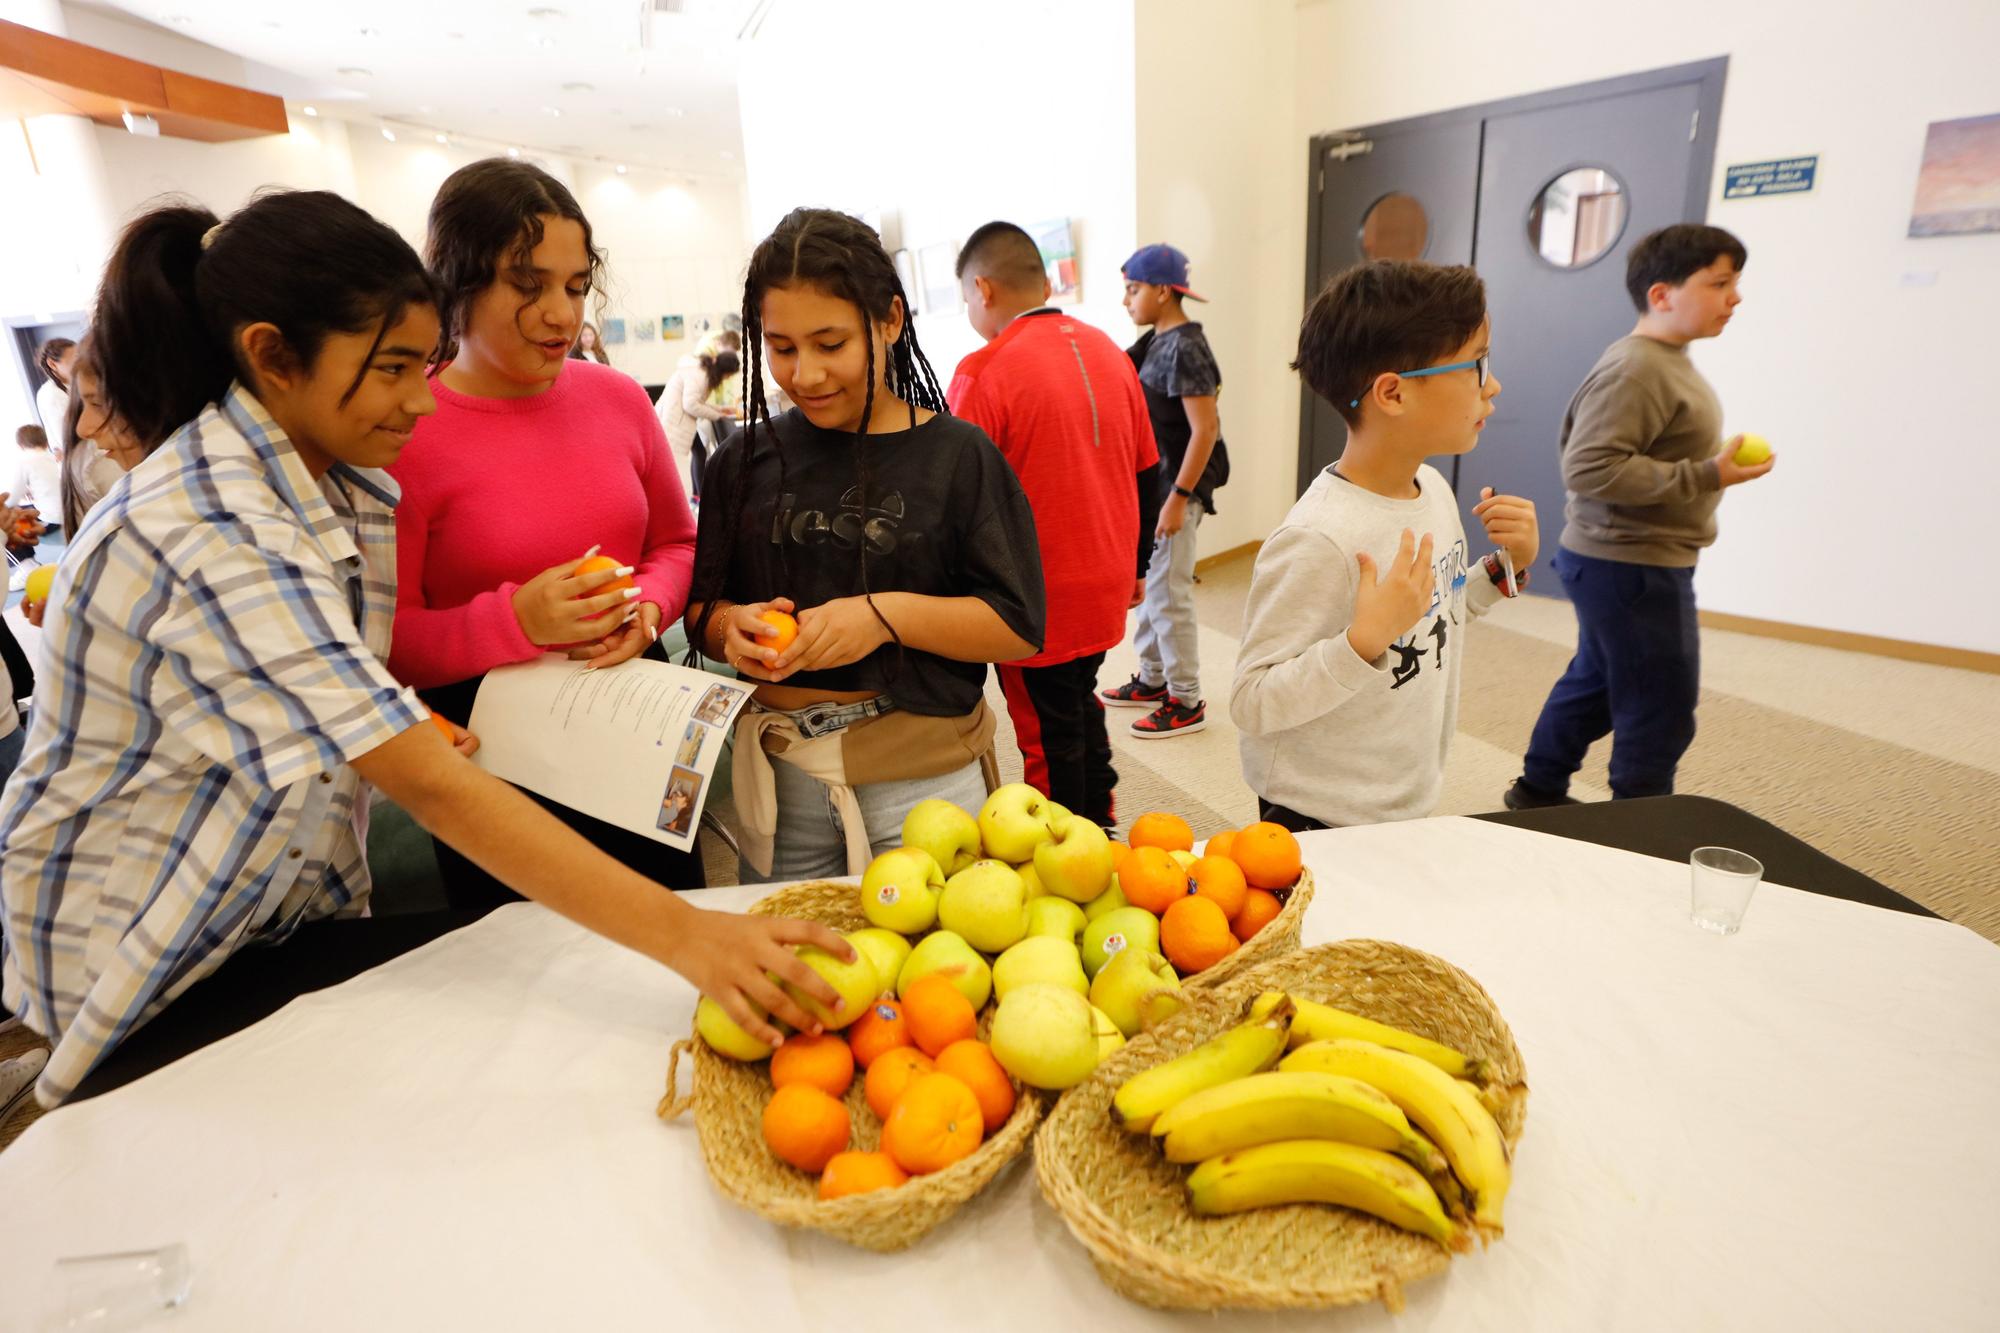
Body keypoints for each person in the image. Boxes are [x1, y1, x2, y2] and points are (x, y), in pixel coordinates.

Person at [0, 193, 848, 1109]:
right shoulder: (211, 526)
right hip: (153, 939)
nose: (418, 399)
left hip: (285, 902)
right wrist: (692, 938)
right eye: (396, 368)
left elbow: (342, 674)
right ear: (272, 357)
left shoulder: (338, 479)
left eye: (424, 364)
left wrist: (400, 713)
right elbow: (424, 774)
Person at [686, 207, 1045, 882]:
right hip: (781, 776)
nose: (807, 374)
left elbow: (1017, 625)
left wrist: (881, 617)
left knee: (936, 974)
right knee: (794, 974)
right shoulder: (741, 460)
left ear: (889, 321)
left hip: (923, 778)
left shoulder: (958, 457)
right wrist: (731, 626)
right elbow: (701, 611)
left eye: (831, 344)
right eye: (782, 347)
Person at [389, 158, 704, 908]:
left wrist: (649, 611)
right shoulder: (405, 431)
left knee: (678, 949)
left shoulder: (619, 399)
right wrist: (514, 621)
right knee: (527, 973)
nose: (562, 313)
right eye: (527, 285)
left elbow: (677, 544)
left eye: (574, 285)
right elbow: (381, 638)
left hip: (638, 719)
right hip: (495, 759)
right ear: (457, 281)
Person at [1232, 260, 1539, 832]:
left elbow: (1435, 612)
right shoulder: (1318, 538)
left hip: (1403, 792)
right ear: (1393, 393)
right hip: (1316, 810)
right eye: (1479, 365)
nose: (1492, 385)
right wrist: (1363, 639)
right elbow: (1252, 700)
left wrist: (1505, 569)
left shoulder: (1435, 491)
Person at [1507, 225, 1773, 808]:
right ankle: (1641, 824)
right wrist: (1708, 475)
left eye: (1736, 283)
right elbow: (1591, 469)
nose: (1735, 297)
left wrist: (1705, 467)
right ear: (1662, 295)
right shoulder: (1638, 369)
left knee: (1599, 682)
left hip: (1627, 558)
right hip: (1630, 563)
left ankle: (1537, 789)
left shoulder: (1665, 361)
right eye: (1720, 283)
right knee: (1661, 705)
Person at [948, 220, 1160, 828]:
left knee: (1046, 737)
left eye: (966, 297)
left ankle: (1073, 852)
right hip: (1106, 580)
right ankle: (1102, 822)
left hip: (1032, 597)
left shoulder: (983, 368)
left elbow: (958, 495)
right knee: (1076, 705)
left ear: (983, 289)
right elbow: (1148, 468)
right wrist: (1139, 566)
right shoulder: (1112, 353)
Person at [1101, 243, 1228, 739]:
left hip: (1181, 489)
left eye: (1132, 290)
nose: (1127, 300)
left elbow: (1206, 430)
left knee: (1170, 594)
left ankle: (1186, 698)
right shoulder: (1156, 340)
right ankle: (1153, 679)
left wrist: (1178, 497)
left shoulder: (1186, 347)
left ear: (1161, 290)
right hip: (1157, 489)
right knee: (1154, 588)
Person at [656, 346, 742, 504]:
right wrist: (718, 416)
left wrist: (721, 410)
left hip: (680, 417)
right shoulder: (700, 376)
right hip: (676, 418)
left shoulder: (704, 371)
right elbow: (691, 405)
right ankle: (699, 497)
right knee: (696, 454)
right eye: (729, 375)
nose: (728, 378)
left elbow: (698, 402)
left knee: (699, 452)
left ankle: (697, 496)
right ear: (724, 370)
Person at [8, 426, 64, 563]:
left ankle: (27, 564)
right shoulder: (53, 457)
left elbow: (12, 499)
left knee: (5, 518)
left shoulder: (25, 461)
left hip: (51, 521)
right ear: (46, 443)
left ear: (20, 445)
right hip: (69, 513)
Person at [33, 338, 76, 447]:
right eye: (74, 360)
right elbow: (70, 440)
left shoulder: (73, 385)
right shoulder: (52, 395)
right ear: (52, 364)